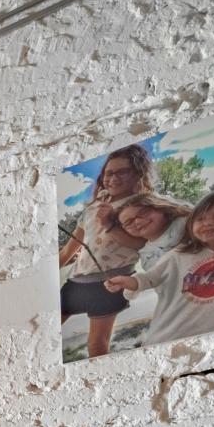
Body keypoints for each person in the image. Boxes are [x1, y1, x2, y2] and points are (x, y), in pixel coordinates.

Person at [105, 186, 214, 346]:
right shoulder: (176, 254)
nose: (208, 223)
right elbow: (151, 278)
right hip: (177, 332)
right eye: (200, 219)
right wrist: (129, 282)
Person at [59, 145, 155, 357]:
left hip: (110, 284)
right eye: (109, 173)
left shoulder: (142, 206)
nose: (113, 178)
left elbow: (142, 244)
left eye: (122, 172)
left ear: (138, 174)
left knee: (97, 345)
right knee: (46, 328)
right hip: (76, 282)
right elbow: (68, 249)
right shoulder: (93, 207)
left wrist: (110, 224)